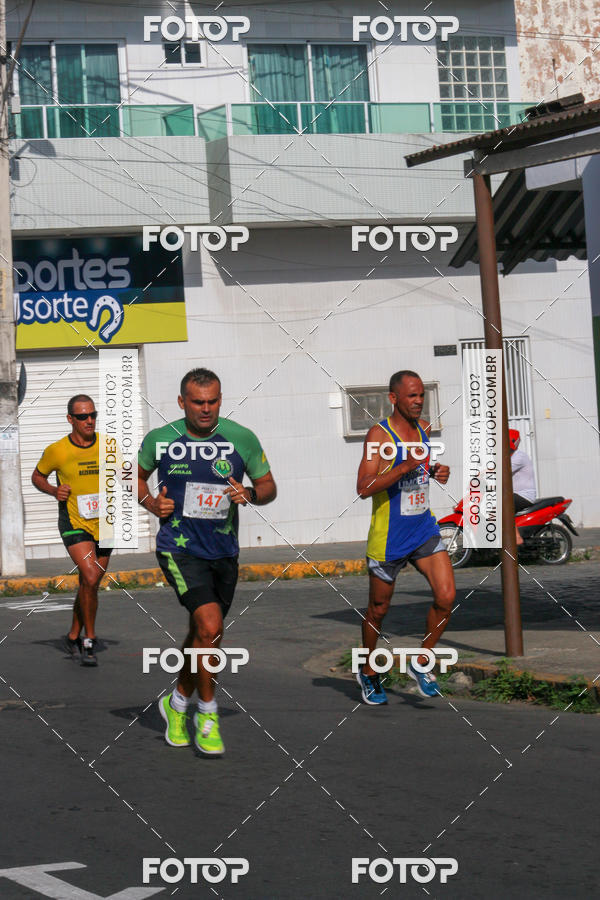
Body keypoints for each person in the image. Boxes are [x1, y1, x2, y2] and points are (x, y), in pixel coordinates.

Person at [137, 368, 276, 756]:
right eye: (197, 402)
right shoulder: (161, 440)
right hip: (178, 549)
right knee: (211, 627)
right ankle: (207, 713)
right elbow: (133, 476)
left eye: (213, 401)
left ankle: (176, 702)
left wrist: (250, 493)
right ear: (182, 403)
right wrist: (151, 502)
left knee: (204, 634)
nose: (206, 409)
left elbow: (268, 487)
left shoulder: (241, 438)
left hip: (223, 551)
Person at [355, 370, 455, 704]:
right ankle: (367, 670)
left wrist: (437, 471)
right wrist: (401, 467)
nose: (418, 402)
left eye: (421, 395)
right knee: (378, 610)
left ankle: (421, 661)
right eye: (411, 396)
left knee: (446, 595)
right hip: (389, 537)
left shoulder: (424, 430)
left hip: (423, 529)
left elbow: (422, 470)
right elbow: (363, 488)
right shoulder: (378, 437)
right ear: (394, 398)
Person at [32, 395, 111, 666]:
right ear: (70, 419)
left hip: (105, 523)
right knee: (89, 576)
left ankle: (73, 634)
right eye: (82, 416)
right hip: (74, 523)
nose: (89, 420)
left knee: (91, 583)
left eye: (93, 415)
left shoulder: (108, 445)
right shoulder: (57, 450)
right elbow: (37, 476)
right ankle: (89, 640)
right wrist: (54, 490)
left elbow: (126, 475)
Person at [510, 429, 536, 546]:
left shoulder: (519, 456)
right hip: (516, 494)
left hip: (525, 495)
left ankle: (517, 537)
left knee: (503, 506)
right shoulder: (508, 456)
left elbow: (502, 471)